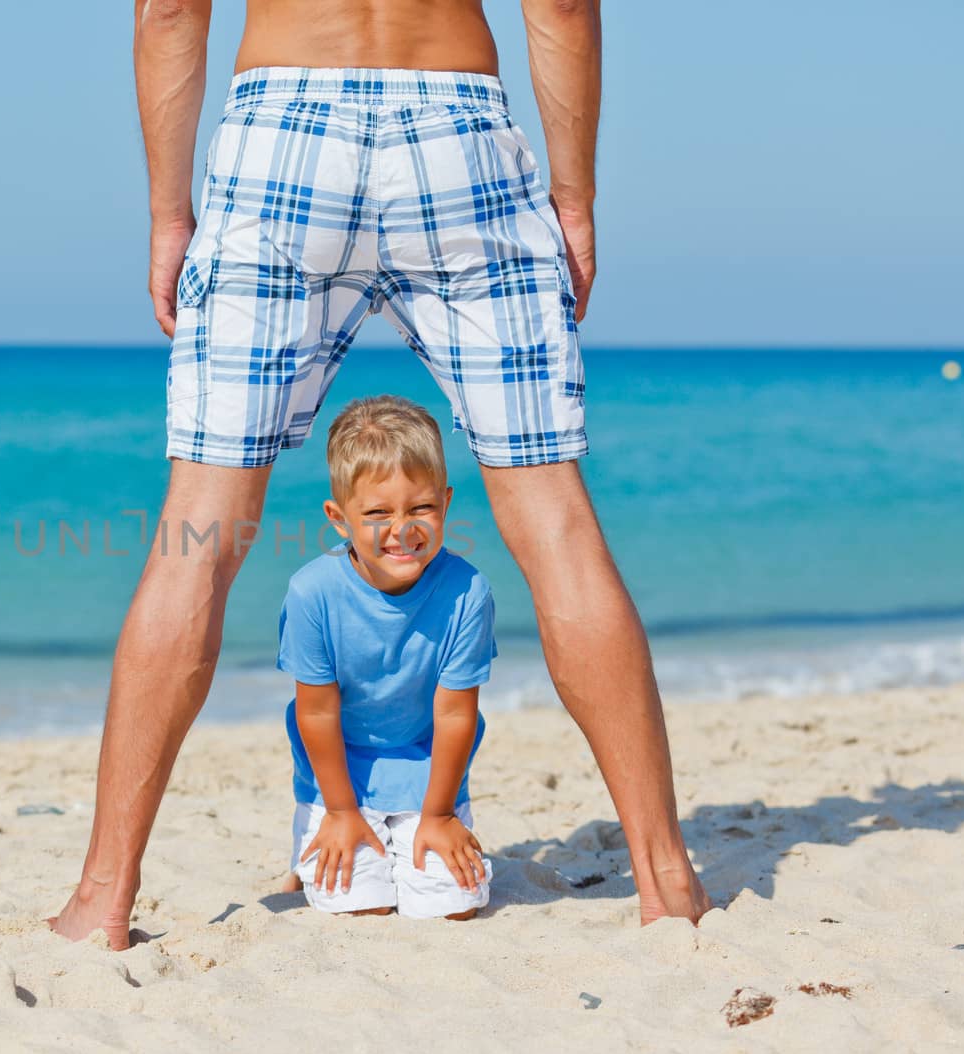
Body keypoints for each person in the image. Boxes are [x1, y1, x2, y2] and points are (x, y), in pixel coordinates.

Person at [51, 0, 713, 949]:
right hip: (459, 130)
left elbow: (168, 13)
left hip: (281, 135)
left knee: (197, 533)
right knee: (557, 523)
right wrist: (574, 198)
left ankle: (103, 899)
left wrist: (168, 214)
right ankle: (665, 880)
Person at [283, 396, 496, 921]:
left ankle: (411, 834)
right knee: (361, 909)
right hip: (338, 774)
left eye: (420, 508)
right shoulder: (312, 593)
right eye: (377, 513)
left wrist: (440, 815)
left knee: (454, 908)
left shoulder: (468, 592)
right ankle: (309, 832)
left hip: (429, 772)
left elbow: (454, 713)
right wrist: (338, 810)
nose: (402, 529)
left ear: (444, 503)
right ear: (339, 518)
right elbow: (315, 712)